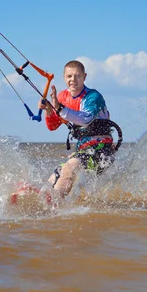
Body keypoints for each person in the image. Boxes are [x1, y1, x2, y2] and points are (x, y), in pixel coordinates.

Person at [37, 60, 118, 200]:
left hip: (102, 151)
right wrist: (49, 110)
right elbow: (53, 126)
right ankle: (41, 198)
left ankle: (55, 201)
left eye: (77, 76)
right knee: (57, 173)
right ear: (64, 78)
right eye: (69, 76)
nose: (73, 80)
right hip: (83, 151)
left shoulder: (93, 97)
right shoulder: (62, 96)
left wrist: (60, 108)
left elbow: (86, 119)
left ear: (84, 77)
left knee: (70, 166)